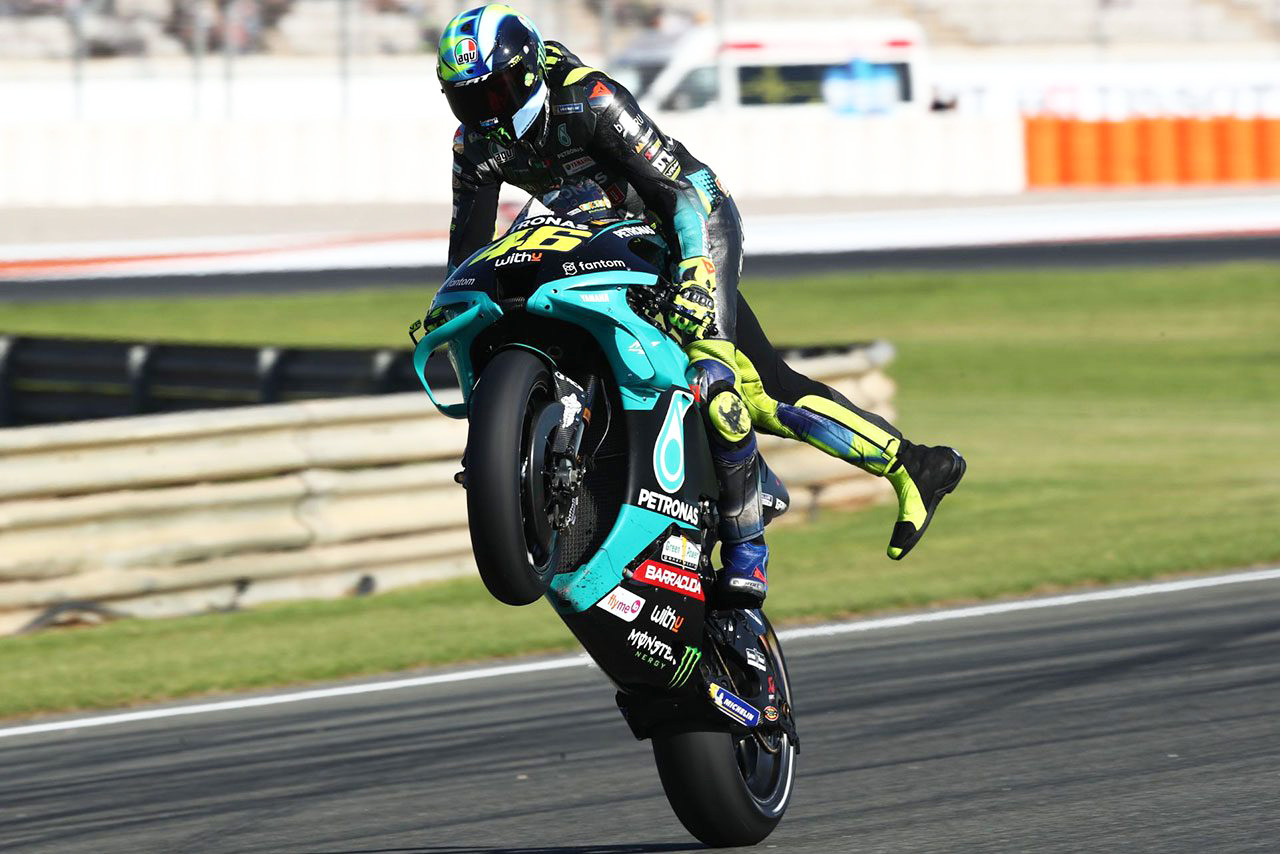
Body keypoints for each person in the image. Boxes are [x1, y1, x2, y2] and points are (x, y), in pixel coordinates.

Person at [437, 4, 965, 606]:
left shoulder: (588, 98)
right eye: (468, 100)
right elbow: (467, 252)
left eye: (497, 92)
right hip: (596, 236)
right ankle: (915, 463)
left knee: (722, 382)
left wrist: (693, 272)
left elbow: (678, 193)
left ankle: (748, 552)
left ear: (529, 72)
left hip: (687, 224)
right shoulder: (472, 144)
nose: (487, 113)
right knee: (764, 386)